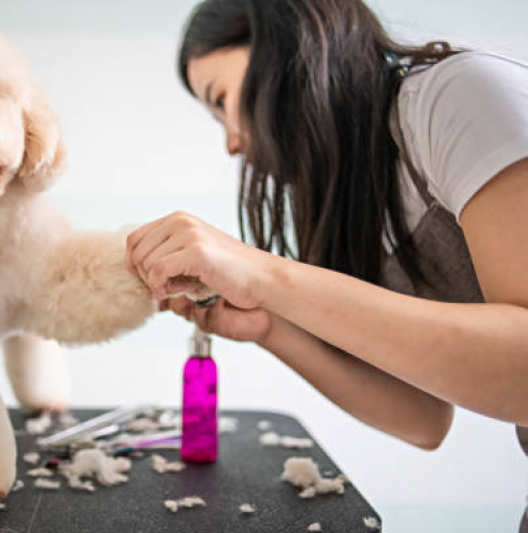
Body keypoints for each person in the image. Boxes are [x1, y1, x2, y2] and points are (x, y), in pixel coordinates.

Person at [124, 0, 528, 528]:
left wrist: (262, 273)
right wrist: (268, 324)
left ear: (286, 41)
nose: (232, 143)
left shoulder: (457, 95)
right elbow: (423, 418)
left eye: (222, 100)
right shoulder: (369, 187)